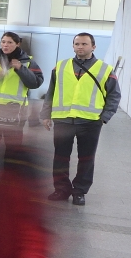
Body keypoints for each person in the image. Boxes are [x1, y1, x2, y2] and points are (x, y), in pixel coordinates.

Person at [42, 32, 119, 206]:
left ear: (93, 46)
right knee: (60, 157)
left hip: (90, 122)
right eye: (77, 44)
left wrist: (104, 117)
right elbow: (51, 93)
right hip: (63, 119)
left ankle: (79, 191)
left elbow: (114, 95)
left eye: (84, 44)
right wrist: (45, 115)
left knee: (86, 158)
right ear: (73, 46)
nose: (80, 47)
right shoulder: (60, 67)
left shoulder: (105, 69)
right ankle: (61, 189)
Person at [0, 31, 43, 181]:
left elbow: (35, 83)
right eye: (3, 42)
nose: (5, 45)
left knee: (13, 146)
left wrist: (21, 69)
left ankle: (9, 175)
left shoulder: (28, 62)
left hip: (15, 111)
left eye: (10, 42)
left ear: (18, 44)